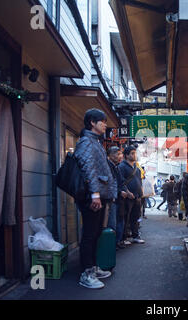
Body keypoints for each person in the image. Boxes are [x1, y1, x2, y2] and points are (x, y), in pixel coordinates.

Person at [74, 108, 115, 289]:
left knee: (96, 233)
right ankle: (86, 273)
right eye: (102, 121)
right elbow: (88, 168)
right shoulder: (87, 142)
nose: (105, 124)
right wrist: (95, 194)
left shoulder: (94, 141)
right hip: (93, 197)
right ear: (92, 122)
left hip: (98, 196)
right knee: (90, 234)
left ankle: (92, 267)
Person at [118, 145, 145, 244]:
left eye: (135, 153)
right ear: (126, 155)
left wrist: (141, 193)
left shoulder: (137, 168)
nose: (134, 155)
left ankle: (135, 236)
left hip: (137, 197)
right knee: (126, 217)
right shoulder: (122, 166)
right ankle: (124, 238)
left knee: (135, 217)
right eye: (132, 153)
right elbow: (120, 182)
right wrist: (127, 192)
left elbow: (139, 181)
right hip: (127, 197)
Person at [107, 146, 129, 250]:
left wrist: (124, 191)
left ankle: (116, 242)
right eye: (117, 154)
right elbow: (110, 183)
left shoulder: (116, 167)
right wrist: (120, 191)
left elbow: (121, 181)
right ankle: (111, 245)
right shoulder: (108, 166)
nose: (120, 156)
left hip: (117, 199)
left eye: (120, 154)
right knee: (112, 223)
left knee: (118, 221)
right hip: (111, 199)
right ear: (110, 155)